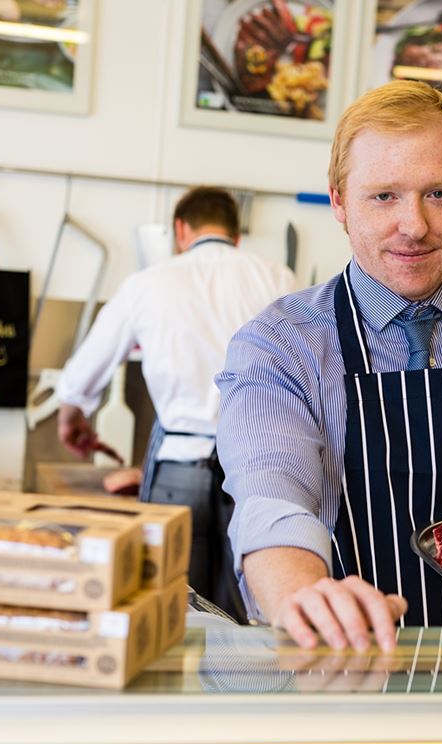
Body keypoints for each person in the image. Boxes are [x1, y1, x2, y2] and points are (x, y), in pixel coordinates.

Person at [216, 81, 442, 652]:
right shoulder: (282, 345)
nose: (414, 225)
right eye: (383, 196)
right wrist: (304, 598)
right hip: (340, 679)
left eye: (438, 193)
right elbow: (271, 497)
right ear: (338, 200)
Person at [56, 186, 295, 620]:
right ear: (236, 234)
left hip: (177, 470)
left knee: (169, 606)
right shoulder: (278, 279)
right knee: (252, 612)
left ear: (180, 230)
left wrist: (71, 422)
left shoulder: (147, 284)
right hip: (257, 469)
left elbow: (81, 376)